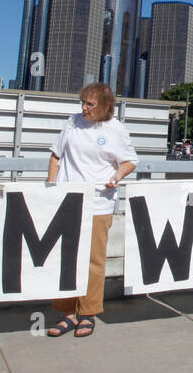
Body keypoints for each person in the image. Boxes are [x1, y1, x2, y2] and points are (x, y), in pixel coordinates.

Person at [44, 82, 138, 338]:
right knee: (65, 258)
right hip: (68, 201)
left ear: (106, 107)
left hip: (98, 203)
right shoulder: (72, 122)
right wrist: (51, 187)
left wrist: (117, 176)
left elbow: (129, 161)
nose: (84, 108)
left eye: (90, 104)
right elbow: (56, 156)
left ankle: (88, 313)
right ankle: (67, 313)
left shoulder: (116, 130)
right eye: (82, 102)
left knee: (93, 260)